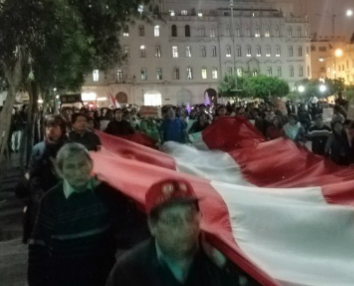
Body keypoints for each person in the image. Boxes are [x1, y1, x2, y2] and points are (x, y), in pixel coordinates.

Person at [106, 178, 240, 286]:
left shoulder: (219, 265)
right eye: (173, 220)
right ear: (153, 226)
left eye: (190, 216)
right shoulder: (129, 271)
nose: (185, 226)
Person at [28, 144, 126, 286]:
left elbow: (124, 227)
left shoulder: (105, 192)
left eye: (82, 164)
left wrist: (105, 191)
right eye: (70, 167)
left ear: (91, 164)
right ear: (60, 171)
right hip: (64, 280)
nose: (78, 172)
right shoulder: (51, 200)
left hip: (103, 277)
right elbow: (38, 246)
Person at [24, 115, 69, 243]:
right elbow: (33, 173)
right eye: (48, 126)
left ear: (62, 128)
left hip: (66, 191)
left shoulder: (70, 147)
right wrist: (38, 197)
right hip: (45, 192)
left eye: (54, 126)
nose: (51, 130)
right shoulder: (38, 148)